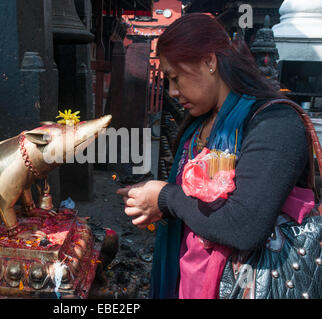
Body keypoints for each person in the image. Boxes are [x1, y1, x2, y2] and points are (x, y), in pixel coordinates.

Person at [116, 13, 311, 299]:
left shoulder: (274, 124)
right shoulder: (198, 124)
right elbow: (191, 205)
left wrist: (165, 197)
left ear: (209, 62)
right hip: (188, 281)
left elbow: (245, 226)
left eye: (175, 78)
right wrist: (159, 204)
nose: (172, 91)